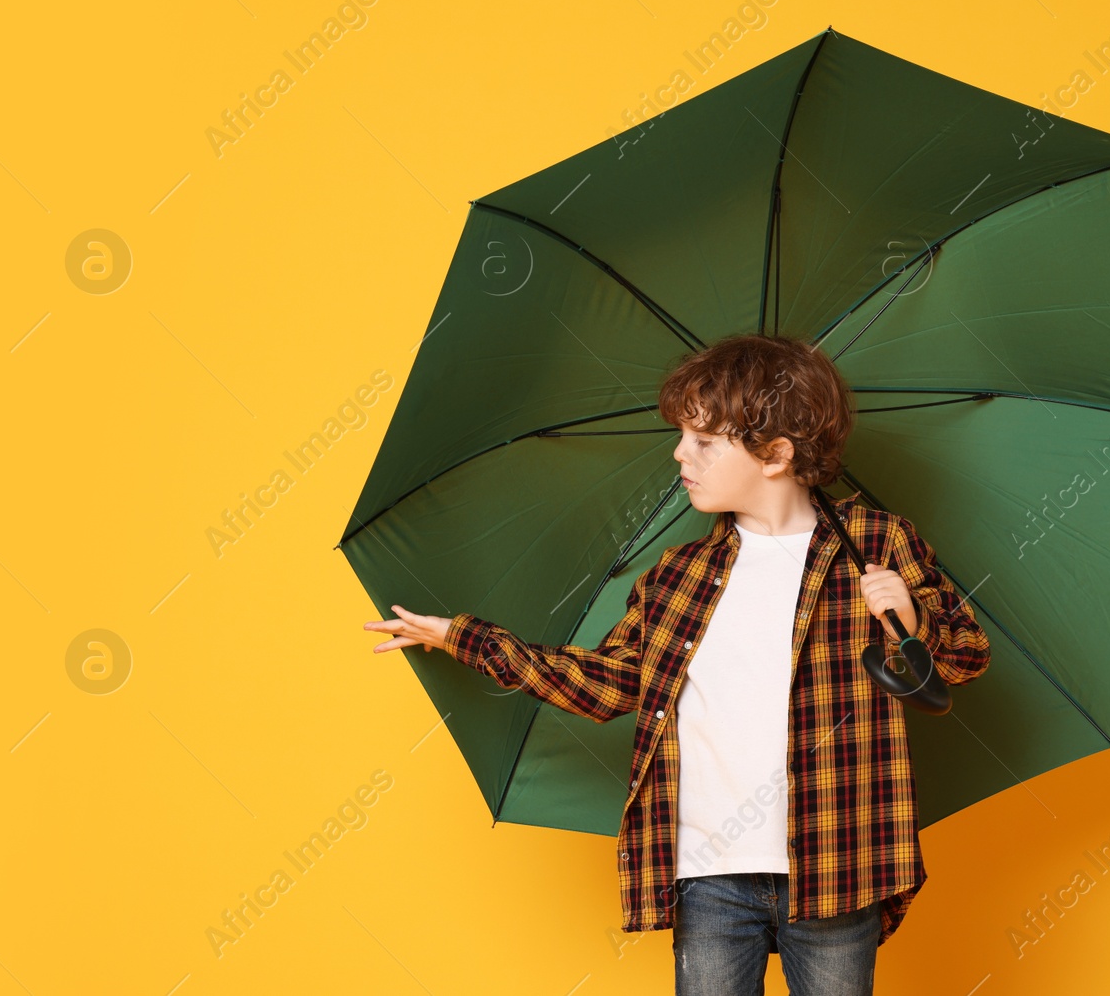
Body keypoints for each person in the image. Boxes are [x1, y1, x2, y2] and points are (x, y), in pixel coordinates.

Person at [365, 332, 991, 994]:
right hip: (709, 871)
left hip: (840, 858)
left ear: (776, 453)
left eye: (703, 441)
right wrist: (465, 638)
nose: (679, 453)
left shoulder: (876, 543)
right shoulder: (678, 576)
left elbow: (965, 658)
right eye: (682, 435)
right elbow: (609, 683)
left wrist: (913, 617)